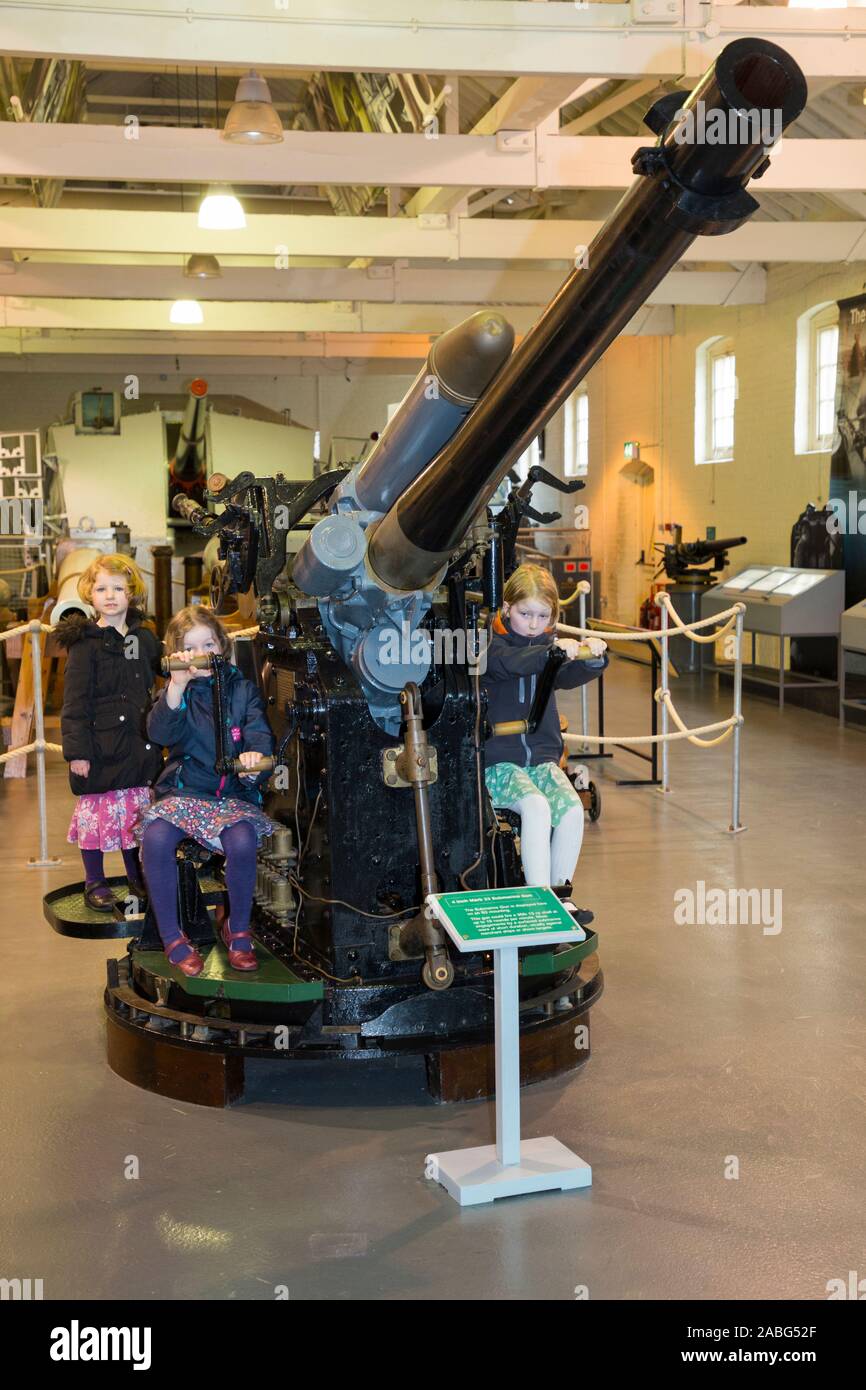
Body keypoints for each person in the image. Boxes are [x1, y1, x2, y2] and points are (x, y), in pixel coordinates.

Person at [134, 605, 277, 977]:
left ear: (222, 645)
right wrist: (176, 687)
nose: (201, 654)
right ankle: (171, 935)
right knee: (156, 838)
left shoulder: (241, 689)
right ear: (177, 654)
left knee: (243, 841)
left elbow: (259, 734)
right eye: (190, 647)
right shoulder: (177, 693)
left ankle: (239, 930)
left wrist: (253, 760)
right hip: (186, 792)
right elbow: (160, 734)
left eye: (208, 643)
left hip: (231, 796)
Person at [482, 563, 608, 889]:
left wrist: (591, 657)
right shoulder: (490, 647)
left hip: (540, 760)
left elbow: (566, 675)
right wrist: (551, 653)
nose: (534, 625)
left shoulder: (546, 647)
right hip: (498, 764)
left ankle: (560, 893)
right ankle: (537, 899)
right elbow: (510, 664)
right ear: (507, 609)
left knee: (569, 810)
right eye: (526, 614)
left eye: (543, 617)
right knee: (536, 807)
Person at [57, 554, 163, 911]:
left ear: (131, 593)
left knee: (135, 818)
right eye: (102, 588)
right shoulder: (85, 644)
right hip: (100, 747)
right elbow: (74, 703)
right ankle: (95, 881)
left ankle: (137, 879)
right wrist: (77, 753)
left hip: (137, 743)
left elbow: (162, 672)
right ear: (90, 594)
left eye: (118, 588)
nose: (110, 595)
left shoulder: (144, 639)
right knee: (97, 816)